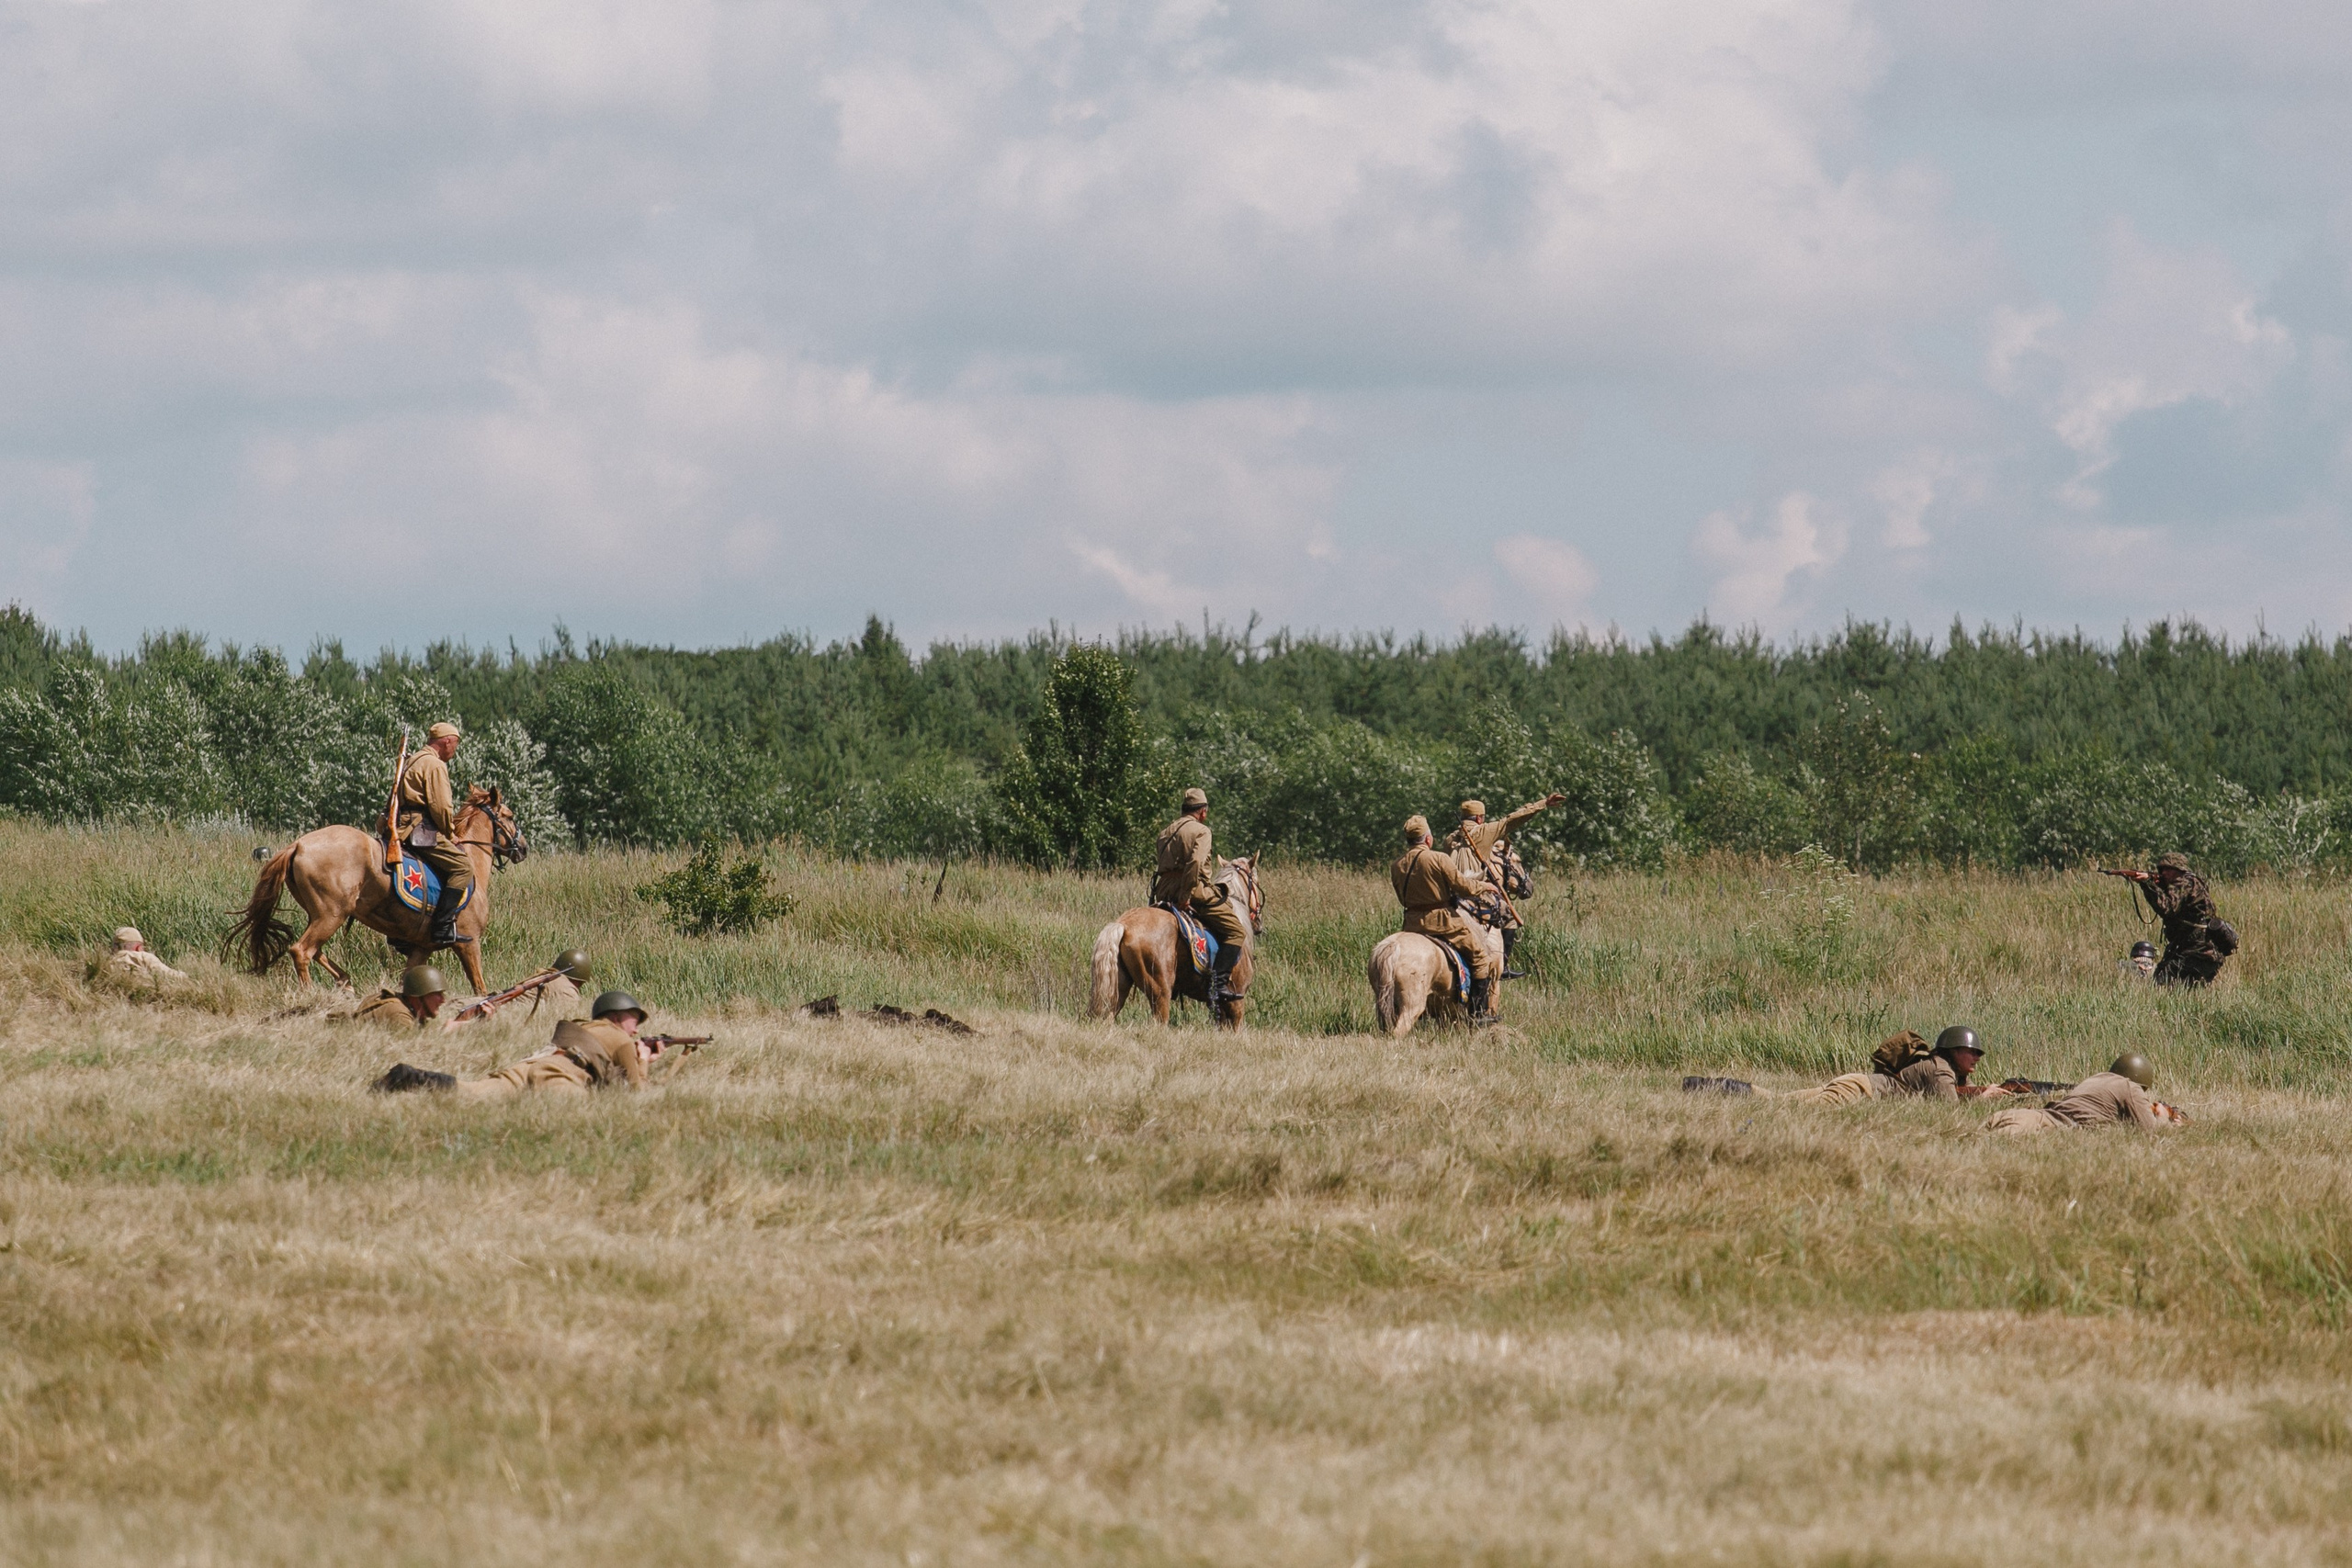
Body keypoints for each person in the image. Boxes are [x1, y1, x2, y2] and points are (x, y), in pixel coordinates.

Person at [375, 989, 662, 1099]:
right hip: (561, 1076)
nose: (637, 1027)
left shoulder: (584, 1027)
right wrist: (643, 1061)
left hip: (532, 1063)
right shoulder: (621, 1039)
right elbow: (636, 1094)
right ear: (616, 1016)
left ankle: (412, 1077)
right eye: (634, 1019)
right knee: (578, 1123)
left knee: (473, 1094)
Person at [1394, 814, 1503, 1025]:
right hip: (1443, 923)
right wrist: (1485, 886)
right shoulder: (1439, 858)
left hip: (1411, 925)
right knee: (1481, 958)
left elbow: (1401, 897)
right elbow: (1463, 886)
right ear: (1428, 839)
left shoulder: (1396, 865)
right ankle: (1477, 1014)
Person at [1152, 788, 1250, 1016]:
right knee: (1236, 931)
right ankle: (1218, 985)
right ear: (1203, 812)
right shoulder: (1202, 831)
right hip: (1192, 889)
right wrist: (1186, 895)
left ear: (1183, 810)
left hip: (1164, 891)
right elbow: (1195, 863)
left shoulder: (1165, 832)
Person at [1447, 795, 1566, 980]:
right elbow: (1512, 820)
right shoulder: (1484, 832)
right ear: (1479, 818)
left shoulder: (1450, 840)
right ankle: (1503, 965)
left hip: (1451, 894)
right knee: (1509, 917)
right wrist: (1542, 803)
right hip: (1473, 892)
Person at [1779, 1026, 2015, 1103]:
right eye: (1972, 1052)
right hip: (1858, 1089)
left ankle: (1751, 1092)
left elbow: (1964, 1091)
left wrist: (1989, 1091)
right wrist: (1984, 1097)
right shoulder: (1940, 1070)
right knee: (1802, 1109)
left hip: (1856, 1083)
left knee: (1780, 1101)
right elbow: (1950, 1108)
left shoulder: (1952, 1069)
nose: (1977, 1057)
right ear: (1954, 1050)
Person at [395, 720, 474, 949]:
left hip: (401, 827)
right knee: (463, 868)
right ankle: (442, 926)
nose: (455, 751)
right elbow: (441, 808)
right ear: (447, 741)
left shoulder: (412, 760)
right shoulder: (434, 765)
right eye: (455, 745)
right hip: (420, 829)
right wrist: (450, 833)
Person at [1985, 1054, 2187, 1134]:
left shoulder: (2097, 1078)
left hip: (2022, 1115)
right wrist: (2163, 1118)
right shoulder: (2130, 1087)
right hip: (2044, 1127)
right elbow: (2151, 1132)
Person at [2114, 853, 2231, 987]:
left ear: (2179, 869)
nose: (2164, 873)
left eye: (2168, 869)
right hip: (2195, 950)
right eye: (2162, 869)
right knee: (2171, 984)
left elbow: (2167, 908)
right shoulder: (2190, 882)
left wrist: (2147, 884)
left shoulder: (2184, 883)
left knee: (2163, 984)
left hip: (2198, 952)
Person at [343, 965, 447, 1029]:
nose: (443, 1000)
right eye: (437, 994)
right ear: (418, 996)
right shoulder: (398, 1015)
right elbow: (415, 1048)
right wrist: (445, 1032)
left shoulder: (406, 1006)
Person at [105, 927, 187, 985]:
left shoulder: (107, 962)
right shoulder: (143, 956)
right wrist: (185, 976)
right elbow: (169, 975)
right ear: (138, 947)